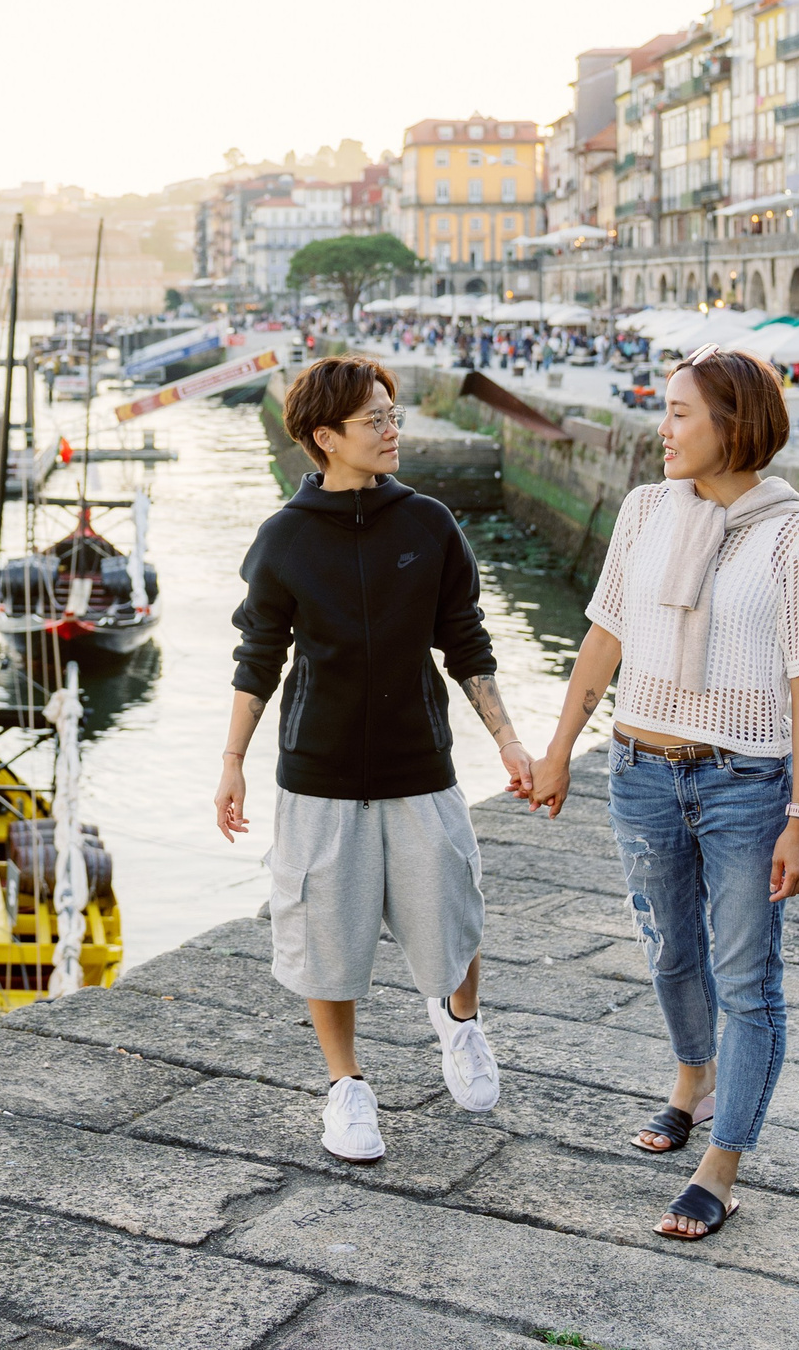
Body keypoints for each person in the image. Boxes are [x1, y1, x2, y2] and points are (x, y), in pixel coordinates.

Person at [521, 346, 799, 1241]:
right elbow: (604, 634)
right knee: (669, 952)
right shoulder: (645, 509)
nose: (662, 429)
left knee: (747, 977)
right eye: (664, 411)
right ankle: (690, 1078)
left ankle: (722, 1165)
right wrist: (559, 749)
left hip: (746, 783)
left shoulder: (796, 535)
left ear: (733, 426)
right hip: (639, 768)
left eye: (679, 413)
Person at [215, 354, 532, 1166]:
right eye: (376, 420)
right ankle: (347, 1087)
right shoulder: (283, 537)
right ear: (326, 438)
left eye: (394, 414)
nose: (395, 430)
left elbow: (466, 641)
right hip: (318, 771)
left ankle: (460, 1024)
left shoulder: (428, 523)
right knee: (327, 934)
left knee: (453, 912)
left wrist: (506, 738)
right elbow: (259, 656)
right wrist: (232, 760)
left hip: (420, 762)